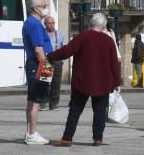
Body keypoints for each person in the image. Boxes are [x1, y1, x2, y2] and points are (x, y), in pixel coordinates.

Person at [47, 13, 122, 147]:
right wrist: (116, 81)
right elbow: (114, 64)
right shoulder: (108, 41)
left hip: (82, 80)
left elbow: (66, 51)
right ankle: (98, 139)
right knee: (99, 111)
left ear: (90, 24)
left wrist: (51, 56)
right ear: (104, 26)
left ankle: (67, 138)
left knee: (75, 109)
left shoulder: (82, 37)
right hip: (102, 82)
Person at [21, 0, 53, 145]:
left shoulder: (30, 22)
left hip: (34, 64)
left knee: (32, 100)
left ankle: (30, 132)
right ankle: (32, 134)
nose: (45, 7)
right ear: (35, 8)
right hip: (38, 64)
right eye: (43, 5)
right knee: (36, 101)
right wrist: (47, 69)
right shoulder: (35, 24)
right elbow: (39, 49)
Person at [43, 15, 66, 110]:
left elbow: (64, 46)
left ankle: (54, 104)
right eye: (49, 23)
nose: (51, 25)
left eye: (53, 23)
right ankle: (43, 102)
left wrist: (61, 55)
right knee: (45, 82)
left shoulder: (59, 33)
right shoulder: (42, 33)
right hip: (47, 59)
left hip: (57, 60)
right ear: (45, 24)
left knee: (56, 83)